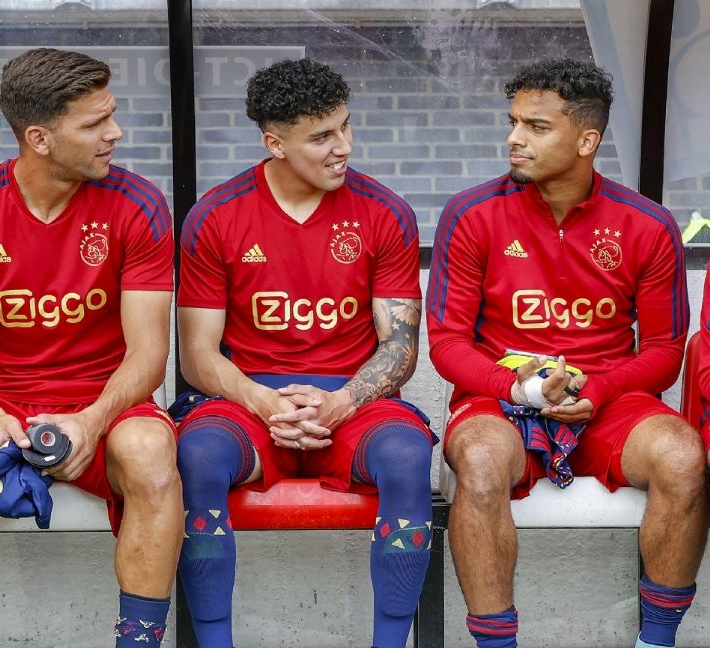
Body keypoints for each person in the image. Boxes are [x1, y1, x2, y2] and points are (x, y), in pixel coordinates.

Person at [0, 48, 182, 647]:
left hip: (107, 404)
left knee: (151, 449)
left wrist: (91, 421)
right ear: (40, 138)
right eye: (95, 123)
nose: (115, 133)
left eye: (112, 115)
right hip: (1, 405)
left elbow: (149, 356)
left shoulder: (139, 205)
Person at [428, 57, 707, 648]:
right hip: (501, 400)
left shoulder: (648, 224)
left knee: (683, 456)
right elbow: (448, 343)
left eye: (536, 126)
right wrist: (519, 388)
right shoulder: (470, 213)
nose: (515, 138)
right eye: (513, 122)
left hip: (609, 402)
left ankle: (656, 641)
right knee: (479, 460)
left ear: (586, 141)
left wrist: (599, 389)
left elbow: (664, 351)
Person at [174, 58, 434, 648]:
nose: (344, 147)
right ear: (275, 143)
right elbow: (197, 355)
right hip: (248, 403)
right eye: (321, 137)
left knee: (406, 456)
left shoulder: (385, 212)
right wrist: (262, 400)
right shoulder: (215, 216)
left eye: (345, 126)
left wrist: (342, 401)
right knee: (197, 456)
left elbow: (400, 347)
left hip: (352, 401)